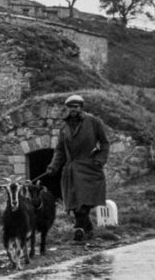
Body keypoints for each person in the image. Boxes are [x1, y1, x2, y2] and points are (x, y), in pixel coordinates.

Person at [45, 94, 109, 241]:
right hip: (71, 170)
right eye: (69, 107)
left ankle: (78, 229)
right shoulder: (64, 127)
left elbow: (105, 143)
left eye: (75, 107)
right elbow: (60, 150)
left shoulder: (93, 122)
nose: (72, 110)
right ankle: (89, 229)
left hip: (89, 168)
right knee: (74, 204)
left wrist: (99, 160)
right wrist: (53, 166)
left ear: (81, 107)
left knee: (84, 202)